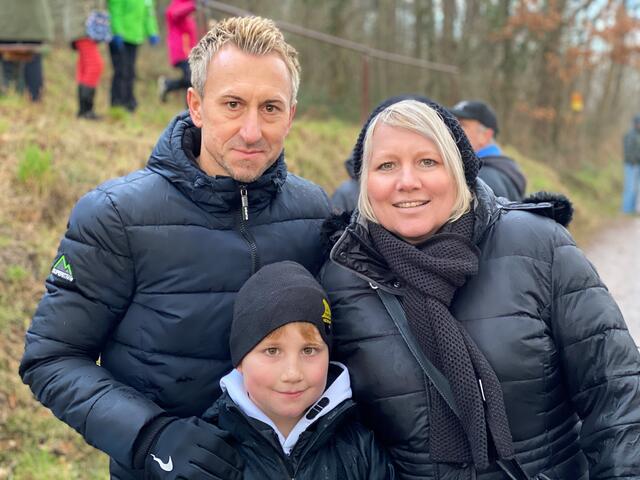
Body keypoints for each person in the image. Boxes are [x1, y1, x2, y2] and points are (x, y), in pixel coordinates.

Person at [20, 16, 331, 480]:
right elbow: (52, 358)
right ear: (196, 105)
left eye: (270, 108)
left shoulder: (315, 212)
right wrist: (150, 437)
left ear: (291, 115)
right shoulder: (116, 216)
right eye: (233, 104)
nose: (251, 130)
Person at [321, 96, 640, 479]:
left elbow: (616, 390)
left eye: (428, 161)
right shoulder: (342, 277)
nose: (407, 182)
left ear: (459, 168)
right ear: (364, 181)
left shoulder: (539, 247)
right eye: (386, 165)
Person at [192, 261, 394, 479]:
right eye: (272, 351)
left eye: (309, 350)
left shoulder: (361, 448)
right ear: (240, 360)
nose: (292, 374)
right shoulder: (206, 450)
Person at [450, 100, 526, 200]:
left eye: (462, 125)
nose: (453, 129)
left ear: (485, 135)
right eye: (453, 123)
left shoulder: (483, 178)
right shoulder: (500, 167)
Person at [107, 0, 160, 111]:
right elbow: (115, 11)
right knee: (121, 71)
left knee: (130, 71)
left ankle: (128, 102)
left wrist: (152, 32)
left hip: (135, 36)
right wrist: (117, 31)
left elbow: (148, 14)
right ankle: (117, 103)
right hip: (120, 37)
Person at [63, 1, 109, 119]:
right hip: (83, 28)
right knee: (95, 65)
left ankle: (84, 110)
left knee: (85, 66)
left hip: (83, 27)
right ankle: (86, 110)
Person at [0, 0, 53, 102]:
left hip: (4, 23)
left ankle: (7, 96)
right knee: (33, 62)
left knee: (7, 66)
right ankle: (34, 99)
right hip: (34, 25)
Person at [158, 0, 197, 103]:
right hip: (181, 51)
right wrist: (193, 5)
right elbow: (177, 13)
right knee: (191, 79)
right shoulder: (176, 6)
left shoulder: (188, 9)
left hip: (188, 51)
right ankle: (168, 85)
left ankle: (169, 86)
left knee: (190, 80)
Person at [622, 114, 640, 214]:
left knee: (637, 188)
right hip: (631, 165)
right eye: (638, 123)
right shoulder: (630, 135)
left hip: (638, 164)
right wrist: (633, 161)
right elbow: (628, 151)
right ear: (635, 124)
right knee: (630, 187)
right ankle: (626, 209)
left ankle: (635, 208)